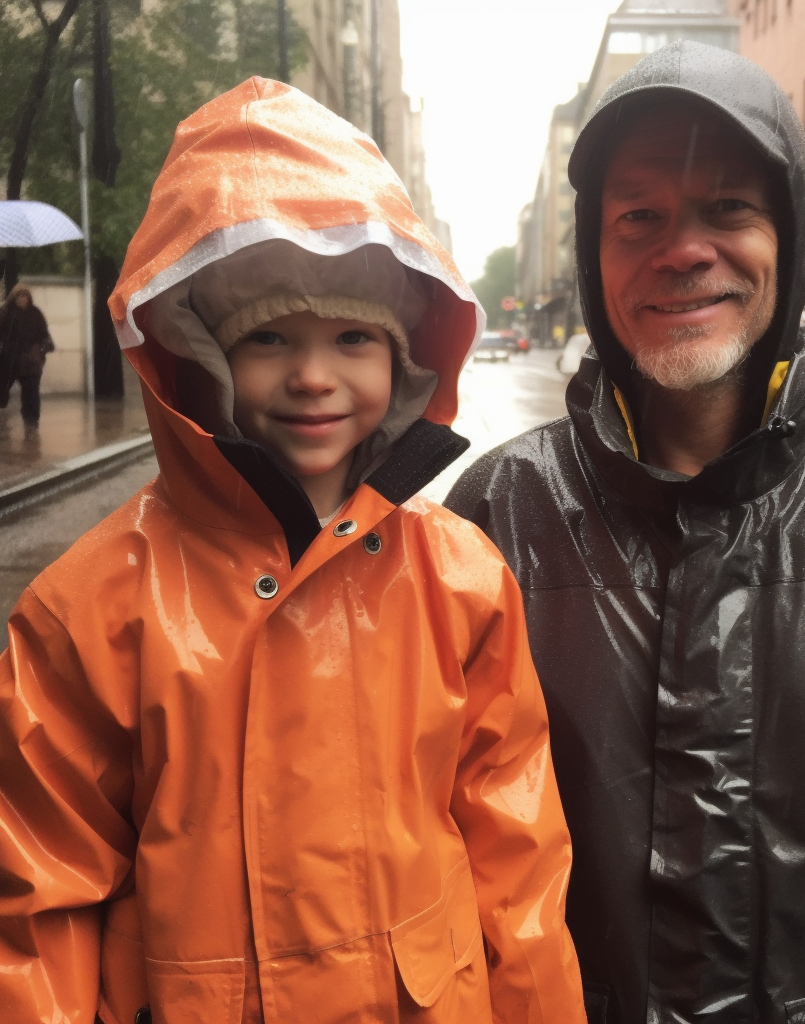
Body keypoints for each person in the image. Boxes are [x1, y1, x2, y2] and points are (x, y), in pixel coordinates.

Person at [446, 40, 805, 1024]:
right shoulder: (497, 514)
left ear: (787, 234)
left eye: (726, 208)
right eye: (640, 217)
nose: (683, 249)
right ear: (594, 252)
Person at [0, 79, 585, 1024]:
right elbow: (36, 900)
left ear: (401, 358)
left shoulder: (463, 581)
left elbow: (517, 864)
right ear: (204, 354)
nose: (314, 376)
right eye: (268, 336)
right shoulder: (92, 607)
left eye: (353, 336)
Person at [0, 283, 54, 429]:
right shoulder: (6, 313)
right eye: (20, 296)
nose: (23, 299)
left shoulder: (35, 313)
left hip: (31, 361)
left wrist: (42, 350)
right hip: (9, 360)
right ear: (14, 297)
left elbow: (44, 334)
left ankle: (31, 424)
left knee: (31, 393)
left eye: (25, 296)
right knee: (2, 391)